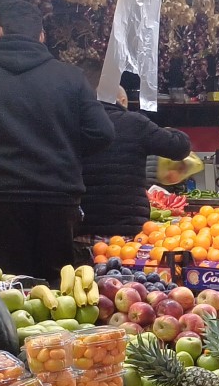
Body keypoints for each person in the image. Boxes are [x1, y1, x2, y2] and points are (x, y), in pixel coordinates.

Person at [0, 0, 114, 283]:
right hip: (58, 198)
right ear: (41, 35)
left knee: (8, 288)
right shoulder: (70, 77)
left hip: (2, 198)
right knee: (59, 290)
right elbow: (103, 133)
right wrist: (66, 150)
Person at [76, 66, 192, 258]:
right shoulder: (135, 123)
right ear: (122, 101)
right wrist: (170, 131)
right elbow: (180, 147)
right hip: (126, 235)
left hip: (80, 230)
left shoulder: (73, 123)